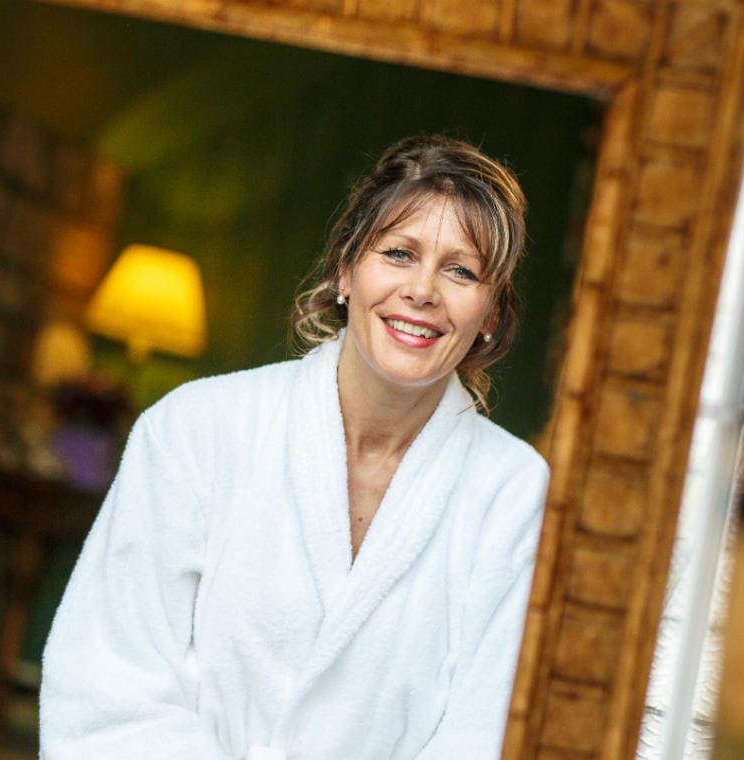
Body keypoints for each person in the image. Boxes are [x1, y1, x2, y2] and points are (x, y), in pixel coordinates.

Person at [39, 135, 549, 760]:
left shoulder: (515, 494)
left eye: (461, 270)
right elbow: (108, 681)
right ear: (344, 270)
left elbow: (488, 733)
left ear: (491, 314)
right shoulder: (195, 429)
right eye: (397, 253)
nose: (422, 290)